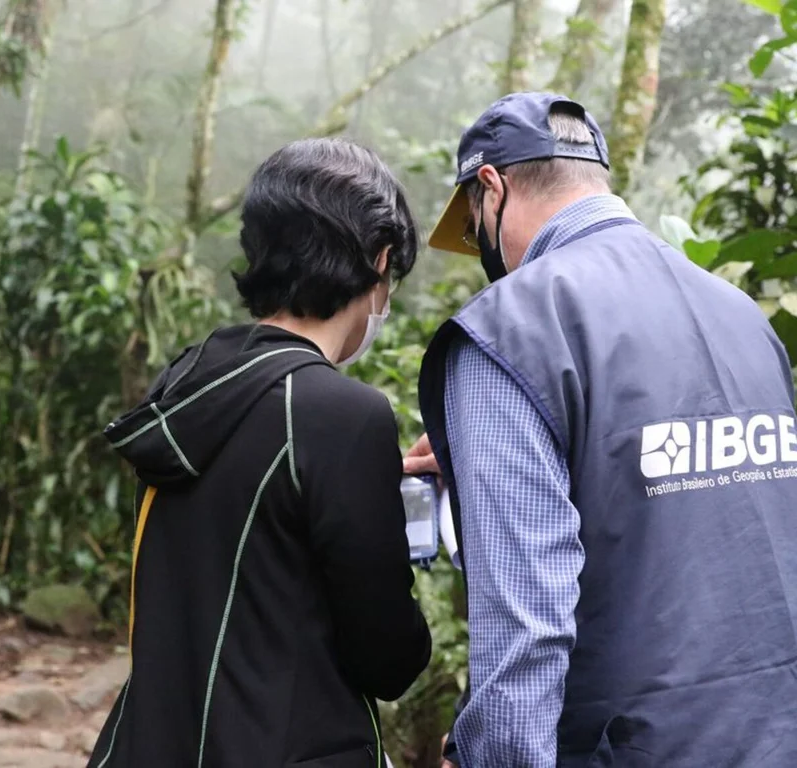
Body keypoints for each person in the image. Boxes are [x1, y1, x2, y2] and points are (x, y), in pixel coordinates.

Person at [406, 91, 797, 767]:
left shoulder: (511, 331)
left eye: (473, 232)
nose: (481, 252)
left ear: (491, 187)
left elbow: (524, 635)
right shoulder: (744, 319)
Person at [87, 137, 432, 768]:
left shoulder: (190, 381)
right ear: (380, 262)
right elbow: (389, 659)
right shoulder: (343, 415)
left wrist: (367, 482)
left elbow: (248, 539)